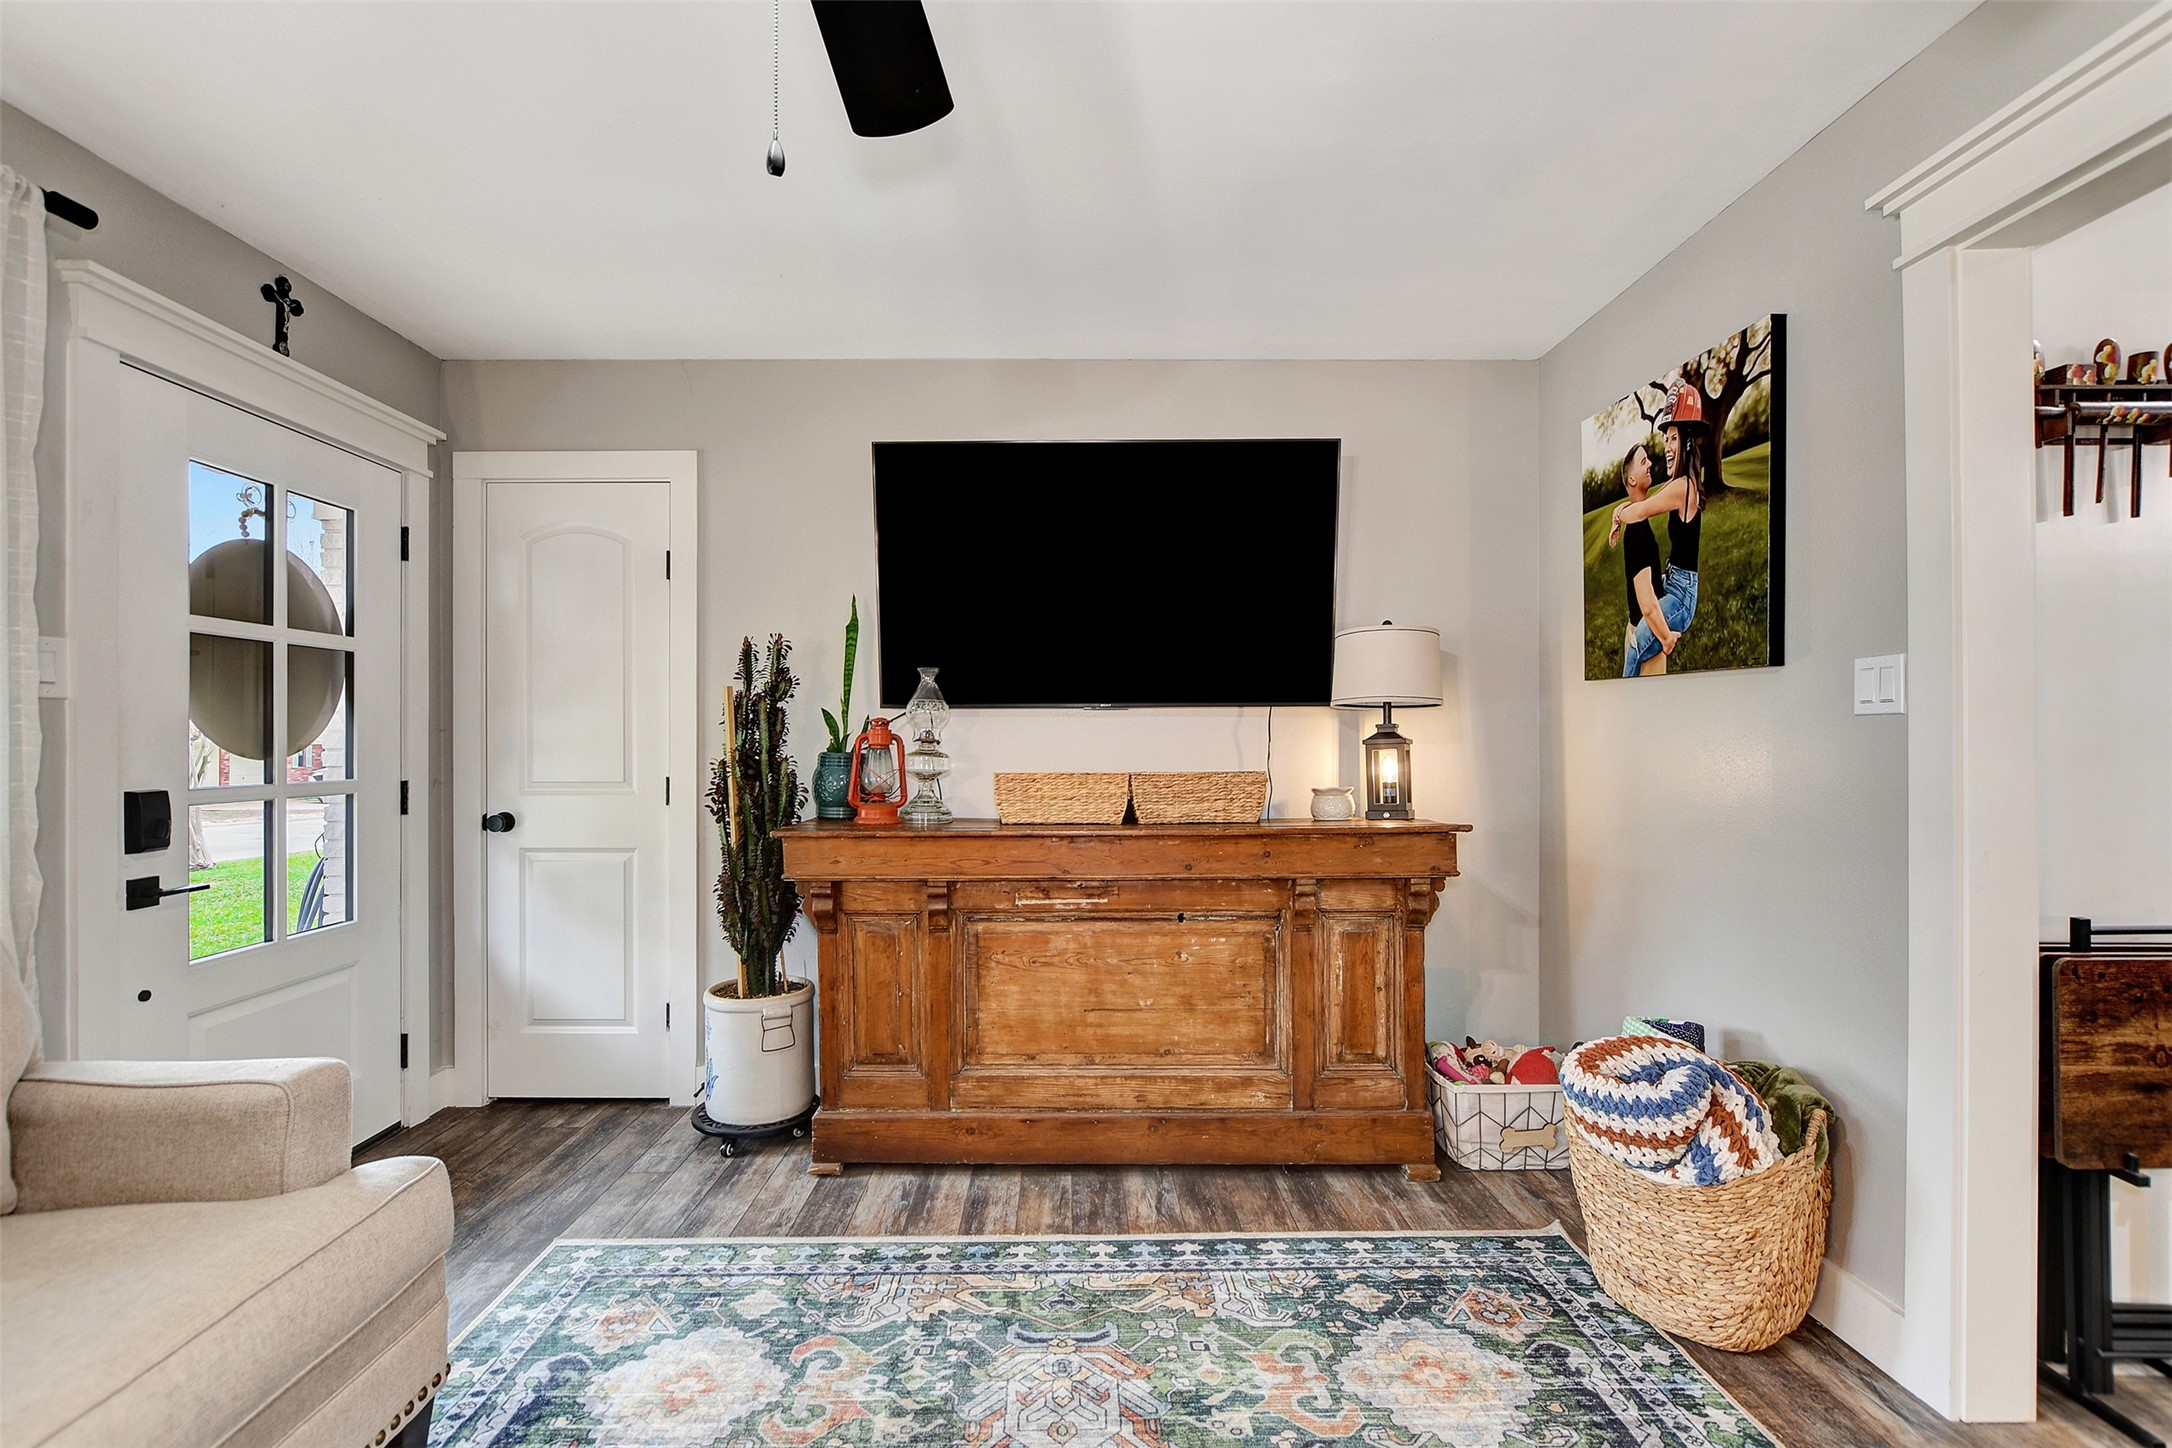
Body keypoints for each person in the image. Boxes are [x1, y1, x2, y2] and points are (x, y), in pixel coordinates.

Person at [1610, 378, 1707, 675]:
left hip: (1681, 596)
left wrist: (1619, 514)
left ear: (1688, 441)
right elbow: (1641, 508)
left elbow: (1641, 511)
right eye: (1666, 439)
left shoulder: (1682, 487)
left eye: (1674, 438)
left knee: (1637, 645)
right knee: (1641, 614)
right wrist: (1624, 509)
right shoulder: (1678, 485)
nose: (1666, 447)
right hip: (1673, 580)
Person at [1607, 442, 1677, 676]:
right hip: (1647, 634)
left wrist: (1620, 510)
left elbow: (1661, 496)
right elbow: (1646, 602)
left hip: (1644, 632)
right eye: (1643, 462)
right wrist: (1666, 639)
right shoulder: (1637, 533)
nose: (1650, 465)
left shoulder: (1638, 520)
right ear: (1632, 480)